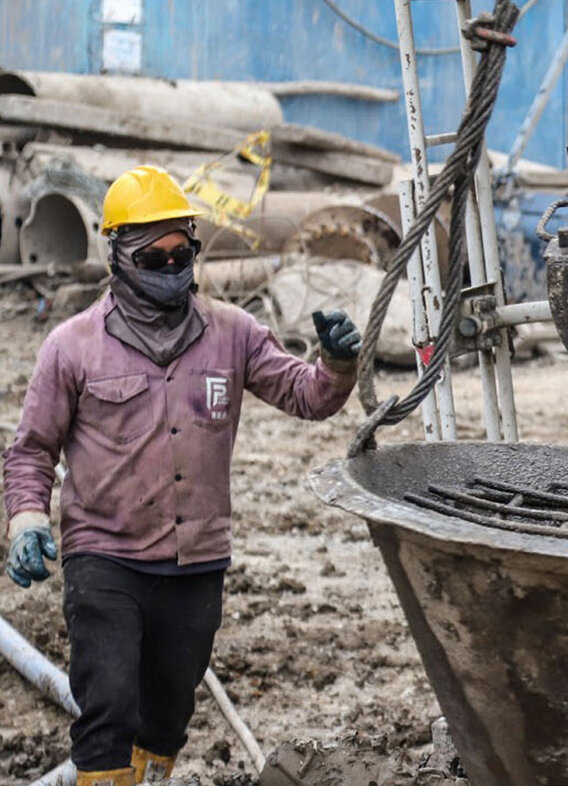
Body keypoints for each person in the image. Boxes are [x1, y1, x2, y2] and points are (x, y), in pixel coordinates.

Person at [2, 166, 363, 786]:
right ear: (116, 255)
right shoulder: (73, 346)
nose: (172, 267)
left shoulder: (234, 334)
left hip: (195, 560)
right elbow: (32, 449)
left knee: (167, 715)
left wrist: (336, 362)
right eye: (153, 256)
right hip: (104, 557)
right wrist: (27, 520)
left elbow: (309, 397)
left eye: (181, 253)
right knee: (108, 704)